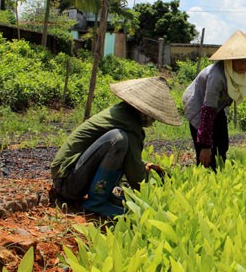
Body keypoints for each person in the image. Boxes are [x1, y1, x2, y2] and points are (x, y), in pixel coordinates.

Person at [50, 76, 182, 218]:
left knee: (120, 141)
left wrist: (144, 165)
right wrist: (154, 194)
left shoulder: (121, 114)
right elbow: (136, 176)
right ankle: (97, 202)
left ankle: (102, 197)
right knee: (118, 139)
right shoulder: (128, 124)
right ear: (144, 112)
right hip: (67, 182)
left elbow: (130, 162)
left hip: (69, 177)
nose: (154, 121)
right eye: (153, 116)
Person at [182, 30, 246, 171]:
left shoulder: (240, 73)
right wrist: (205, 146)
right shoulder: (216, 76)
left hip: (217, 107)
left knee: (222, 145)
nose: (244, 65)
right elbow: (207, 109)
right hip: (198, 104)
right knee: (206, 152)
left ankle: (219, 174)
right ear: (230, 60)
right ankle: (203, 177)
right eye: (239, 61)